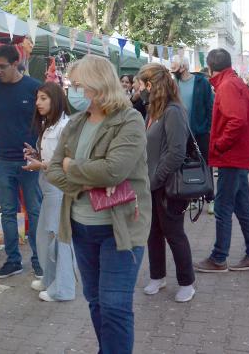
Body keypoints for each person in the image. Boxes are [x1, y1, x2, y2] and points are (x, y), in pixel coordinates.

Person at [46, 55, 151, 354]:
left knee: (115, 306)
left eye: (78, 85)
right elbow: (54, 169)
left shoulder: (129, 120)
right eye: (72, 85)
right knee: (95, 300)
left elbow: (113, 171)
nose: (73, 91)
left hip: (119, 229)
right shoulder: (77, 122)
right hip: (81, 227)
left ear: (98, 84)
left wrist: (72, 166)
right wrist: (86, 179)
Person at [0, 45, 44, 279]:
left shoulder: (35, 89)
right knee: (8, 212)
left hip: (30, 163)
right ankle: (13, 260)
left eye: (2, 66)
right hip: (2, 162)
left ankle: (39, 259)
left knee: (35, 211)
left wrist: (41, 155)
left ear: (16, 64)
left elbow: (49, 123)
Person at [195, 48, 249, 273]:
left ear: (210, 67)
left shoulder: (226, 86)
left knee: (223, 207)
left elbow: (237, 121)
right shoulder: (237, 83)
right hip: (238, 156)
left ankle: (219, 258)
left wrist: (219, 145)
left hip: (232, 157)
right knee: (242, 207)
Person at [138, 63, 196, 303]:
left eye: (141, 84)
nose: (138, 88)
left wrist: (156, 179)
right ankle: (157, 276)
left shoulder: (173, 111)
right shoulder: (153, 110)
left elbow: (176, 152)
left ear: (151, 85)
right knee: (153, 233)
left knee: (174, 233)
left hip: (168, 184)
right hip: (151, 183)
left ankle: (187, 282)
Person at [22, 82, 76, 302]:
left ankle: (62, 288)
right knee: (45, 235)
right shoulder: (49, 124)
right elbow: (53, 157)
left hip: (59, 189)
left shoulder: (65, 126)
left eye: (43, 98)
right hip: (49, 188)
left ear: (55, 99)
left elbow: (67, 162)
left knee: (59, 238)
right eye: (37, 98)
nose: (38, 103)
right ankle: (49, 279)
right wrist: (36, 154)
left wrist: (41, 165)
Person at [171, 55, 215, 213]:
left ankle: (210, 198)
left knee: (204, 164)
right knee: (186, 165)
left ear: (183, 67)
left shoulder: (201, 82)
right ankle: (193, 197)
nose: (173, 70)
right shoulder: (174, 83)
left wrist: (208, 127)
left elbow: (210, 105)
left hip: (200, 131)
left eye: (175, 67)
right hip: (181, 131)